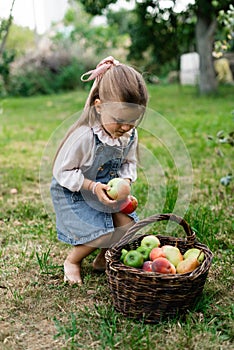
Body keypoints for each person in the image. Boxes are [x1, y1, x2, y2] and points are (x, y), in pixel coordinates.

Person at [50, 56, 148, 284]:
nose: (125, 127)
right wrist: (92, 187)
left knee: (128, 226)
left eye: (132, 121)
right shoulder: (84, 136)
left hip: (106, 190)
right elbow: (63, 172)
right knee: (102, 231)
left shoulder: (127, 134)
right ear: (99, 105)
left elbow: (128, 163)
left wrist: (125, 183)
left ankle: (103, 258)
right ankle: (73, 261)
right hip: (74, 191)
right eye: (120, 120)